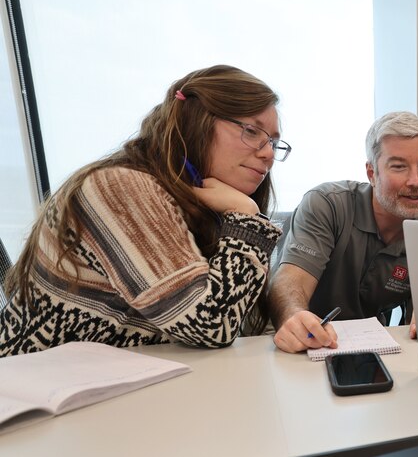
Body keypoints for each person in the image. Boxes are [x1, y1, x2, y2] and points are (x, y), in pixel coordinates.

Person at [0, 65, 287, 356]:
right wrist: (246, 216)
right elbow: (210, 325)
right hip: (36, 391)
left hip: (110, 383)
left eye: (274, 143)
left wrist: (290, 324)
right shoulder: (119, 188)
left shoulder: (198, 204)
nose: (268, 154)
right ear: (198, 121)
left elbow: (237, 319)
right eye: (251, 132)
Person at [269, 112, 418, 353]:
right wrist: (294, 315)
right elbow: (291, 279)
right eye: (399, 167)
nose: (415, 181)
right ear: (371, 174)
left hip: (365, 355)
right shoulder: (327, 204)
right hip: (296, 347)